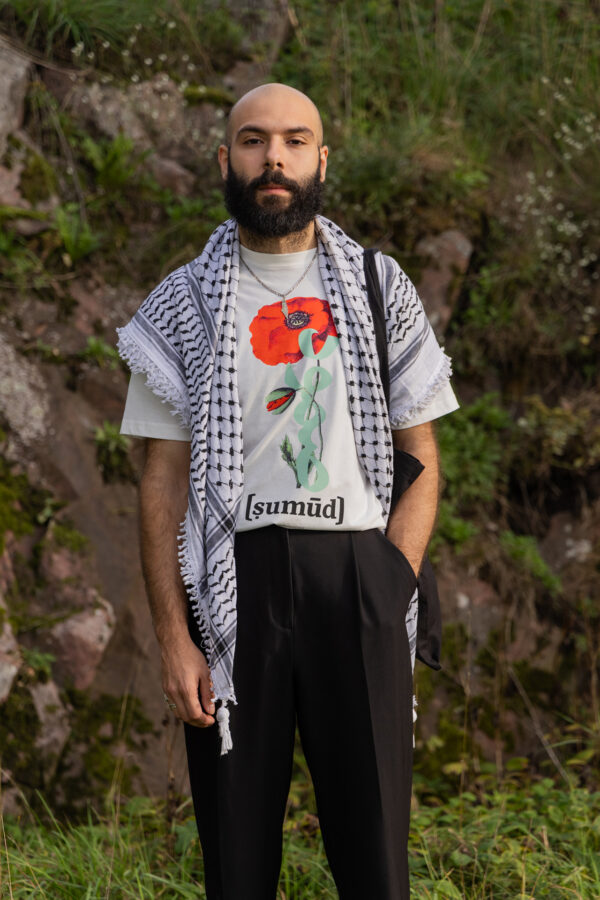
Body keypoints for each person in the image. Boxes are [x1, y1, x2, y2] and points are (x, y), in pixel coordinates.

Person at [118, 82, 458, 900]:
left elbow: (423, 456)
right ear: (225, 158)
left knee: (375, 860)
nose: (274, 157)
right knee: (237, 861)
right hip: (234, 583)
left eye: (295, 141)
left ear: (321, 159)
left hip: (358, 578)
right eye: (254, 139)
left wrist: (392, 581)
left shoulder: (381, 285)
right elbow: (162, 479)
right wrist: (174, 635)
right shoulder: (184, 302)